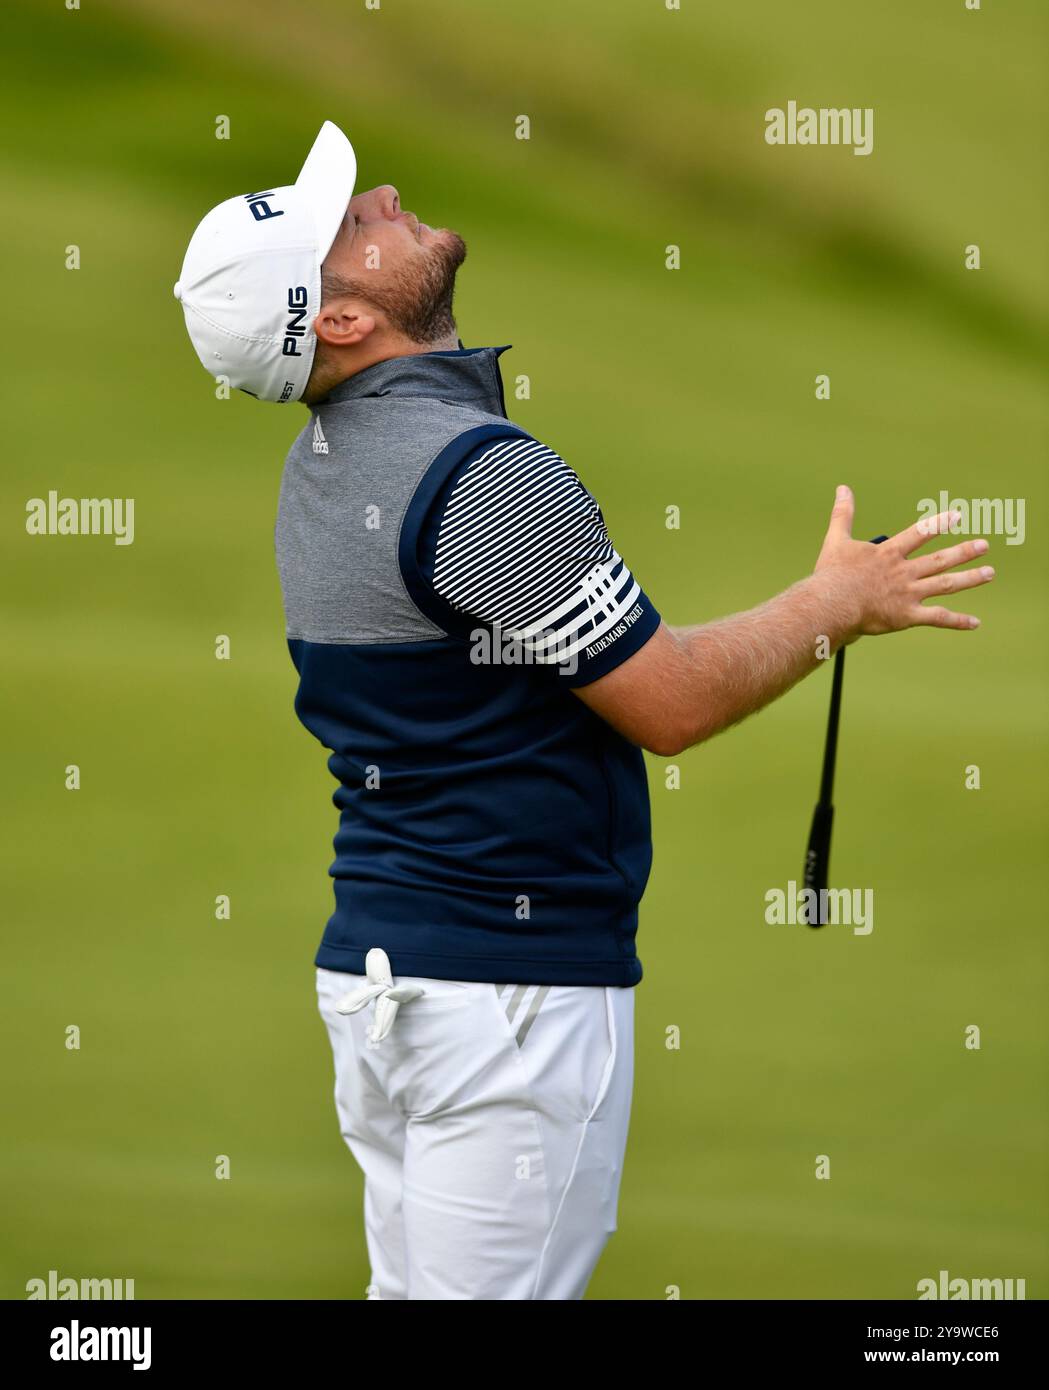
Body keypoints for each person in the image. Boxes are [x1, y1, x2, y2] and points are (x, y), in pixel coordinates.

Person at [173, 121, 994, 1300]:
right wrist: (834, 605)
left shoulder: (322, 471)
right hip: (508, 993)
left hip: (385, 979)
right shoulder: (479, 474)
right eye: (353, 221)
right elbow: (666, 702)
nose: (386, 194)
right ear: (342, 320)